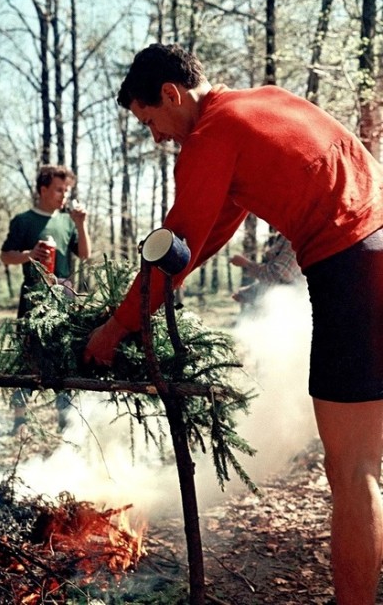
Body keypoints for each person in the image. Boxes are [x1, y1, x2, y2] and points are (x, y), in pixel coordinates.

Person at [83, 42, 383, 605]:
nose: (157, 136)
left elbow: (175, 240)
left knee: (354, 470)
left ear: (172, 94)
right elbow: (209, 231)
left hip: (355, 265)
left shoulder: (210, 136)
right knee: (368, 462)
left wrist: (117, 327)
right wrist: (148, 302)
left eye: (151, 120)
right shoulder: (262, 103)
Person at [1, 164, 91, 434]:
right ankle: (20, 420)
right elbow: (6, 256)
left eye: (66, 191)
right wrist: (29, 254)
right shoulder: (23, 221)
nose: (63, 195)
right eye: (58, 190)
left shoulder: (67, 221)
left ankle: (65, 416)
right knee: (27, 354)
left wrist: (81, 224)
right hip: (33, 294)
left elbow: (85, 254)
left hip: (63, 293)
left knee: (64, 353)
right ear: (43, 189)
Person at [230, 232, 302, 306]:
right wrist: (247, 294)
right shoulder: (286, 236)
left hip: (287, 309)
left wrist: (246, 264)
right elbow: (278, 282)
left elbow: (278, 275)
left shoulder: (296, 236)